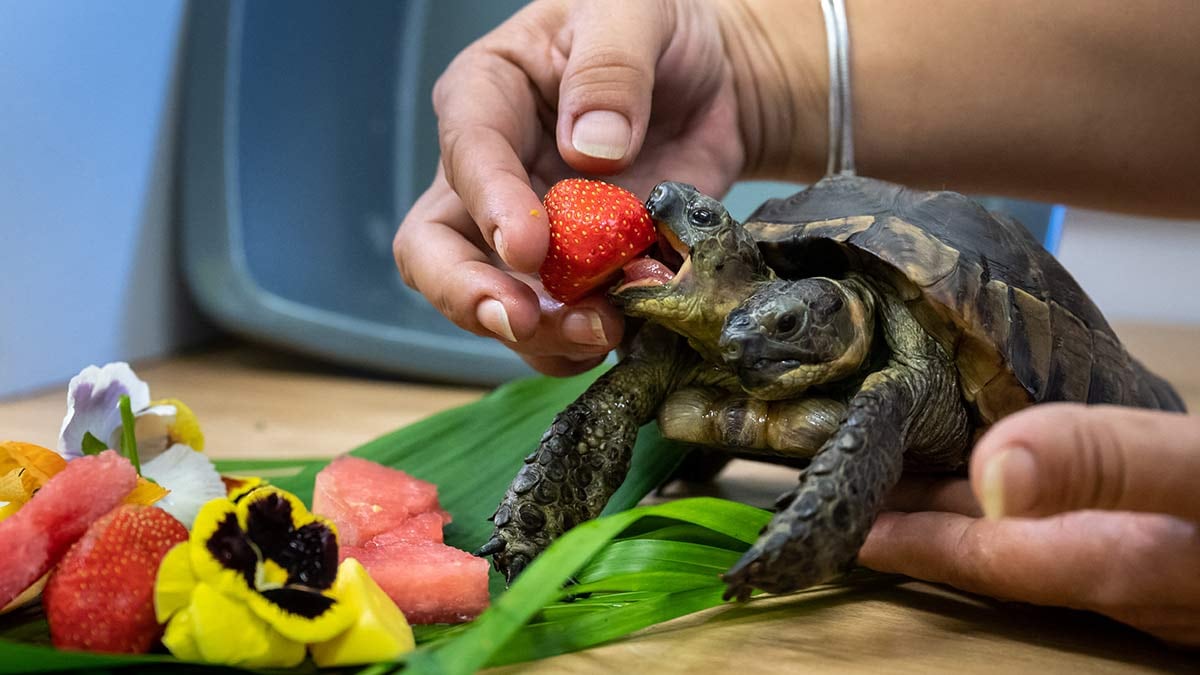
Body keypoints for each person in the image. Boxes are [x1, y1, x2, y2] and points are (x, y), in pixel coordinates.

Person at [394, 0, 1200, 646]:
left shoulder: (900, 371)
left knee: (883, 399)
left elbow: (883, 408)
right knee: (621, 392)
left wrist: (810, 534)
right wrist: (740, 59)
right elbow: (622, 395)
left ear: (843, 321)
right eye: (752, 322)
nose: (747, 339)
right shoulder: (726, 317)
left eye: (781, 330)